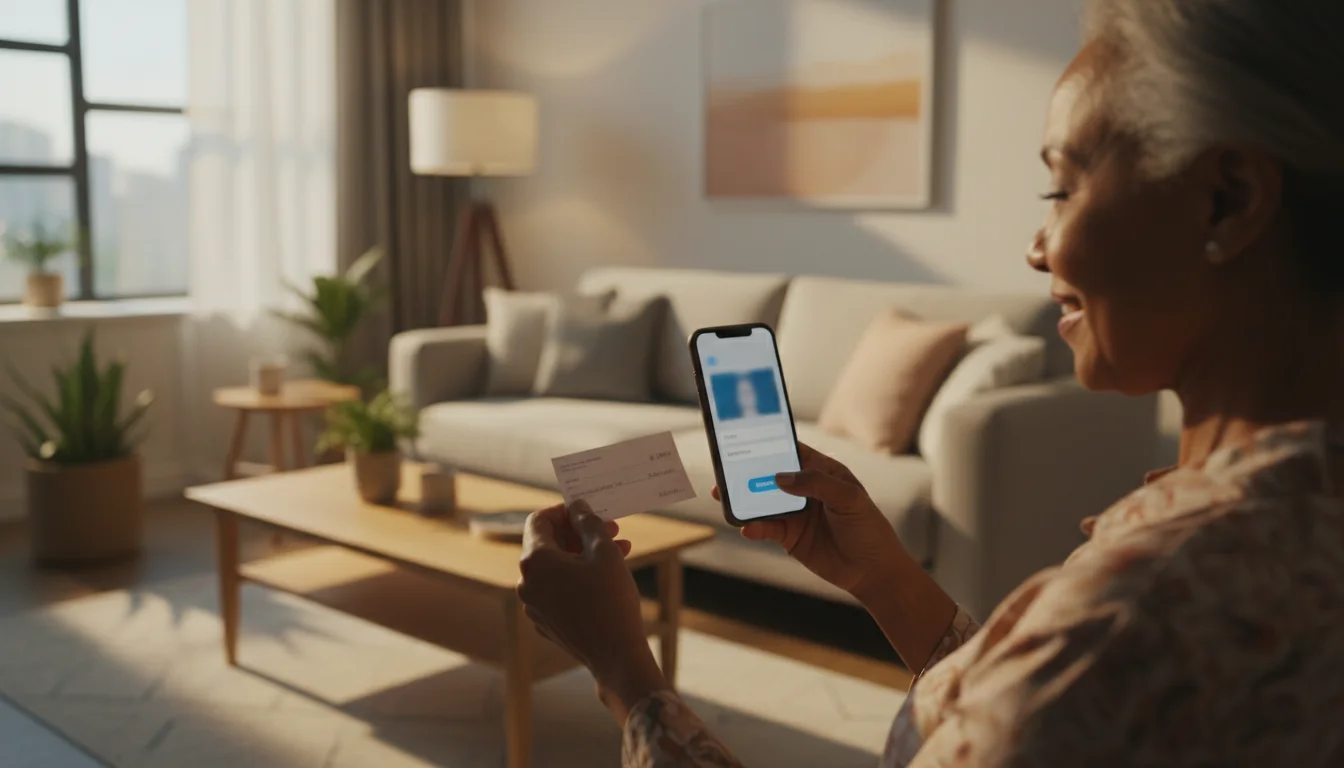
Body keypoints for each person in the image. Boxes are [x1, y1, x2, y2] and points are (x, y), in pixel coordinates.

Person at [516, 0, 1344, 765]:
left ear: (1228, 202)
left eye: (1062, 186)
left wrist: (625, 674)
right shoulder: (1272, 522)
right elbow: (1026, 713)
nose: (1036, 246)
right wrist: (886, 580)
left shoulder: (1143, 608)